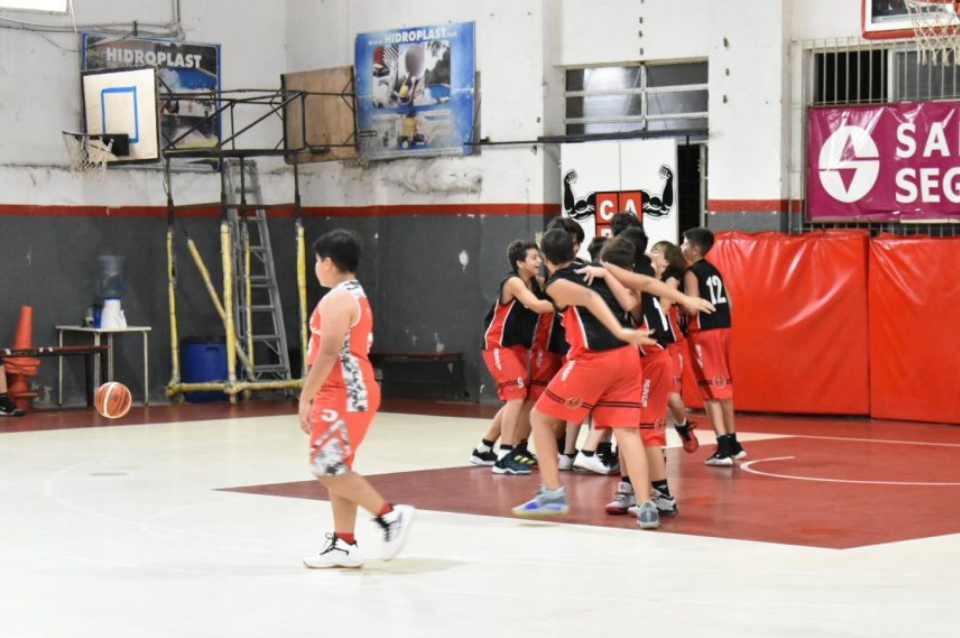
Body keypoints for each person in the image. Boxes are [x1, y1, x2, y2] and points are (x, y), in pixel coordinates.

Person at [511, 228, 663, 528]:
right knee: (628, 433)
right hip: (627, 358)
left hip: (595, 358)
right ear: (575, 249)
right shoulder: (595, 269)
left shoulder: (557, 284)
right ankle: (646, 506)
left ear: (545, 258)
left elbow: (590, 298)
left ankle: (552, 494)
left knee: (540, 417)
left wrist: (618, 330)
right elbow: (631, 301)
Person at [300, 229, 414, 569]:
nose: (316, 268)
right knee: (337, 467)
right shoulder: (354, 293)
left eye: (316, 261)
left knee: (326, 467)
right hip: (347, 391)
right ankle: (344, 543)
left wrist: (305, 396)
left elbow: (329, 352)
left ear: (327, 262)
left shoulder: (338, 299)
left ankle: (389, 516)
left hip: (343, 393)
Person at [472, 240, 554, 474]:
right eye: (533, 258)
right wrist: (573, 300)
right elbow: (536, 305)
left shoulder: (536, 281)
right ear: (520, 262)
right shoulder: (514, 282)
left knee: (516, 397)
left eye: (539, 257)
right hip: (498, 345)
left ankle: (483, 449)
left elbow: (557, 285)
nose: (539, 261)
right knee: (517, 396)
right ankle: (504, 456)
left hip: (516, 347)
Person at [680, 227, 744, 466]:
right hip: (723, 329)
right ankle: (733, 443)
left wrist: (677, 301)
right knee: (723, 387)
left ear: (694, 249)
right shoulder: (714, 269)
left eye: (684, 242)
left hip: (704, 333)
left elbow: (691, 307)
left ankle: (723, 448)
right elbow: (731, 303)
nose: (681, 246)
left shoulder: (691, 272)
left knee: (710, 391)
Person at [650, 240, 699, 453]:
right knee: (652, 396)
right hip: (651, 343)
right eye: (653, 249)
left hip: (670, 343)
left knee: (672, 398)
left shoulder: (670, 279)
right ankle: (655, 444)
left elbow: (663, 308)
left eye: (658, 251)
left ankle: (683, 426)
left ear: (668, 259)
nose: (653, 253)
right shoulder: (646, 277)